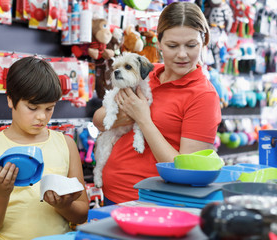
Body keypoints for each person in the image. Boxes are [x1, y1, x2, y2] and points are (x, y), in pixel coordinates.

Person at [92, 2, 221, 204]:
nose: (182, 54)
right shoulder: (143, 72)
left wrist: (144, 119)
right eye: (172, 45)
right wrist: (122, 115)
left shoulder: (203, 95)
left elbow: (186, 171)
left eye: (191, 45)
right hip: (111, 195)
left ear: (203, 42)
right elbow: (99, 121)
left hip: (155, 202)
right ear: (158, 42)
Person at [0, 57, 89, 239]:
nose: (42, 117)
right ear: (11, 100)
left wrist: (64, 206)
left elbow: (83, 214)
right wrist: (0, 194)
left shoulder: (66, 144)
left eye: (49, 108)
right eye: (32, 107)